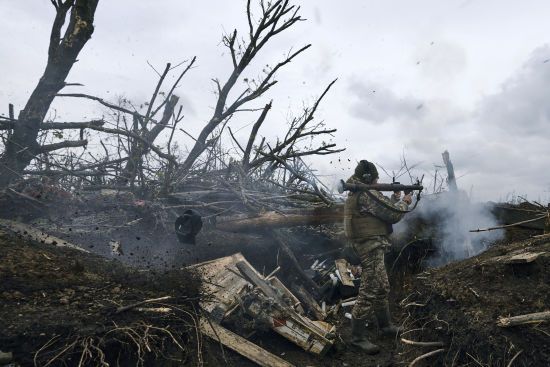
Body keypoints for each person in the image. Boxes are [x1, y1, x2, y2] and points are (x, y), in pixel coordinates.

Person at [343, 160, 412, 354]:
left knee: (382, 286)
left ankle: (386, 326)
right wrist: (405, 202)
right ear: (368, 178)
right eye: (375, 178)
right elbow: (393, 214)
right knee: (370, 289)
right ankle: (357, 338)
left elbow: (381, 209)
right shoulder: (366, 193)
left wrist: (394, 197)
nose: (377, 181)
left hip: (370, 246)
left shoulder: (359, 192)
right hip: (370, 247)